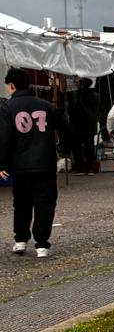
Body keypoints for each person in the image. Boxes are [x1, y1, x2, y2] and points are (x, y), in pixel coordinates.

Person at [1, 69, 68, 258]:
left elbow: (4, 138)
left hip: (20, 165)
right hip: (45, 163)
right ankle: (42, 244)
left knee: (21, 202)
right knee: (45, 203)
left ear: (12, 85)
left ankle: (21, 240)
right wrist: (63, 150)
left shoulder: (7, 108)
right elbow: (65, 129)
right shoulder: (47, 106)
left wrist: (2, 164)